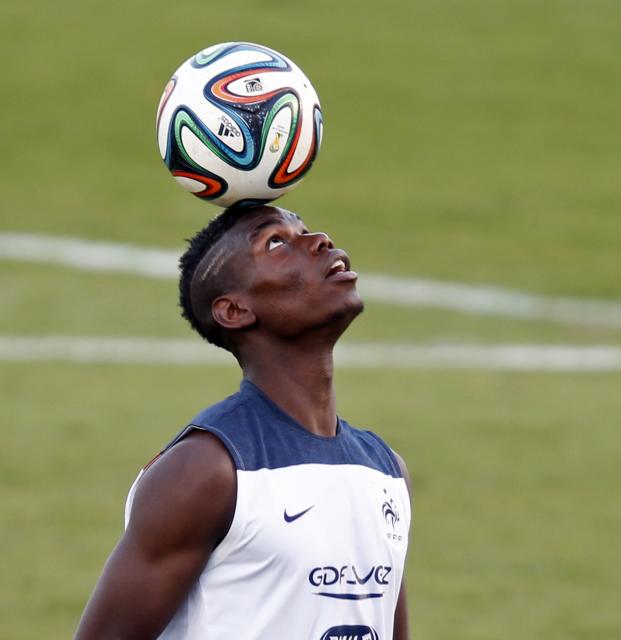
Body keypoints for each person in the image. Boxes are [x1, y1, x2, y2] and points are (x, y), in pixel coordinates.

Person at [74, 204, 411, 639]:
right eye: (276, 242)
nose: (320, 241)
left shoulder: (385, 471)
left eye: (306, 230)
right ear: (235, 310)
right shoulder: (205, 471)